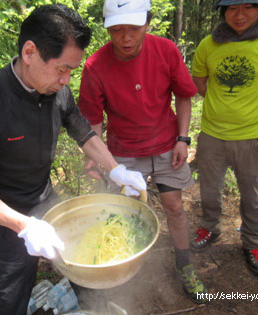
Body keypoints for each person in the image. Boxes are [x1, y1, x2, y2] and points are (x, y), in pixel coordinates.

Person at [0, 4, 147, 315]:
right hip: (4, 216)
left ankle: (93, 307)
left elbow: (83, 133)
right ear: (29, 52)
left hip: (45, 198)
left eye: (72, 70)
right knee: (13, 291)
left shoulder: (57, 92)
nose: (66, 80)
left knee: (82, 262)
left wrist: (116, 169)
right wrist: (24, 225)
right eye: (61, 69)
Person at [77, 0, 207, 304]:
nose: (125, 38)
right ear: (107, 29)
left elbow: (184, 96)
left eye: (133, 28)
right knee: (125, 212)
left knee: (174, 206)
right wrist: (95, 158)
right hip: (123, 154)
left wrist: (183, 139)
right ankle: (124, 273)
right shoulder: (96, 66)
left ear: (147, 23)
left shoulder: (165, 51)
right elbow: (93, 119)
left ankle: (184, 265)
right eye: (117, 30)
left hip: (166, 145)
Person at [190, 0, 258, 276]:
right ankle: (210, 227)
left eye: (249, 6)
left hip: (253, 139)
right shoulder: (209, 45)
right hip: (212, 135)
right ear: (223, 11)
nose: (240, 14)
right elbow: (201, 83)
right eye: (232, 8)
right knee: (209, 190)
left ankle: (253, 242)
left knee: (253, 196)